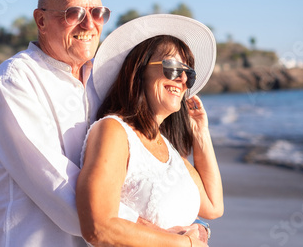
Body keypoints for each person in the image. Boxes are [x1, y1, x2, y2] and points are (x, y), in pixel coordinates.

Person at [0, 0, 137, 246]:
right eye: (74, 13)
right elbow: (55, 183)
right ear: (41, 20)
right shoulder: (17, 77)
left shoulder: (103, 82)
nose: (89, 24)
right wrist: (150, 229)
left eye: (98, 13)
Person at [77, 14, 224, 246]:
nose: (183, 79)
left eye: (189, 73)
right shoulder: (114, 132)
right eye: (174, 68)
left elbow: (214, 207)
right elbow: (99, 227)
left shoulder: (166, 147)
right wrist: (187, 244)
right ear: (139, 70)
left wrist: (200, 132)